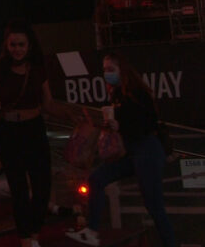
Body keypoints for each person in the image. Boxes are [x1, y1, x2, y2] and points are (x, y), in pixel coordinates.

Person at [0, 20, 63, 247]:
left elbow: (48, 103)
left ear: (29, 45)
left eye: (21, 44)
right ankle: (25, 239)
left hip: (34, 128)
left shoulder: (38, 68)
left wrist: (72, 116)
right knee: (18, 187)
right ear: (7, 45)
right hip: (9, 132)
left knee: (42, 185)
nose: (17, 49)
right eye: (13, 45)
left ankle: (34, 233)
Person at [66, 52, 175, 247]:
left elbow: (148, 123)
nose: (107, 73)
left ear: (121, 70)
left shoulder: (136, 93)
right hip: (132, 152)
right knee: (96, 179)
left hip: (147, 150)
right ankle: (91, 231)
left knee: (154, 205)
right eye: (105, 70)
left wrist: (120, 126)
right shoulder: (116, 94)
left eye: (111, 69)